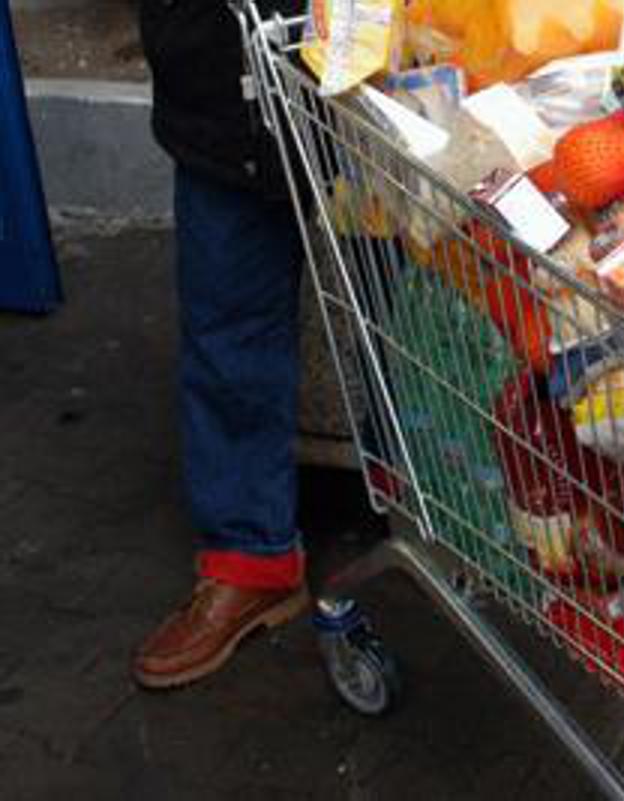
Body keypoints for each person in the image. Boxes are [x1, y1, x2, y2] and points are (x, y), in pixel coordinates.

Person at [133, 0, 310, 689]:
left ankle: (492, 524)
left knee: (428, 310)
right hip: (221, 80)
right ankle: (250, 559)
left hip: (391, 69)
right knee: (229, 327)